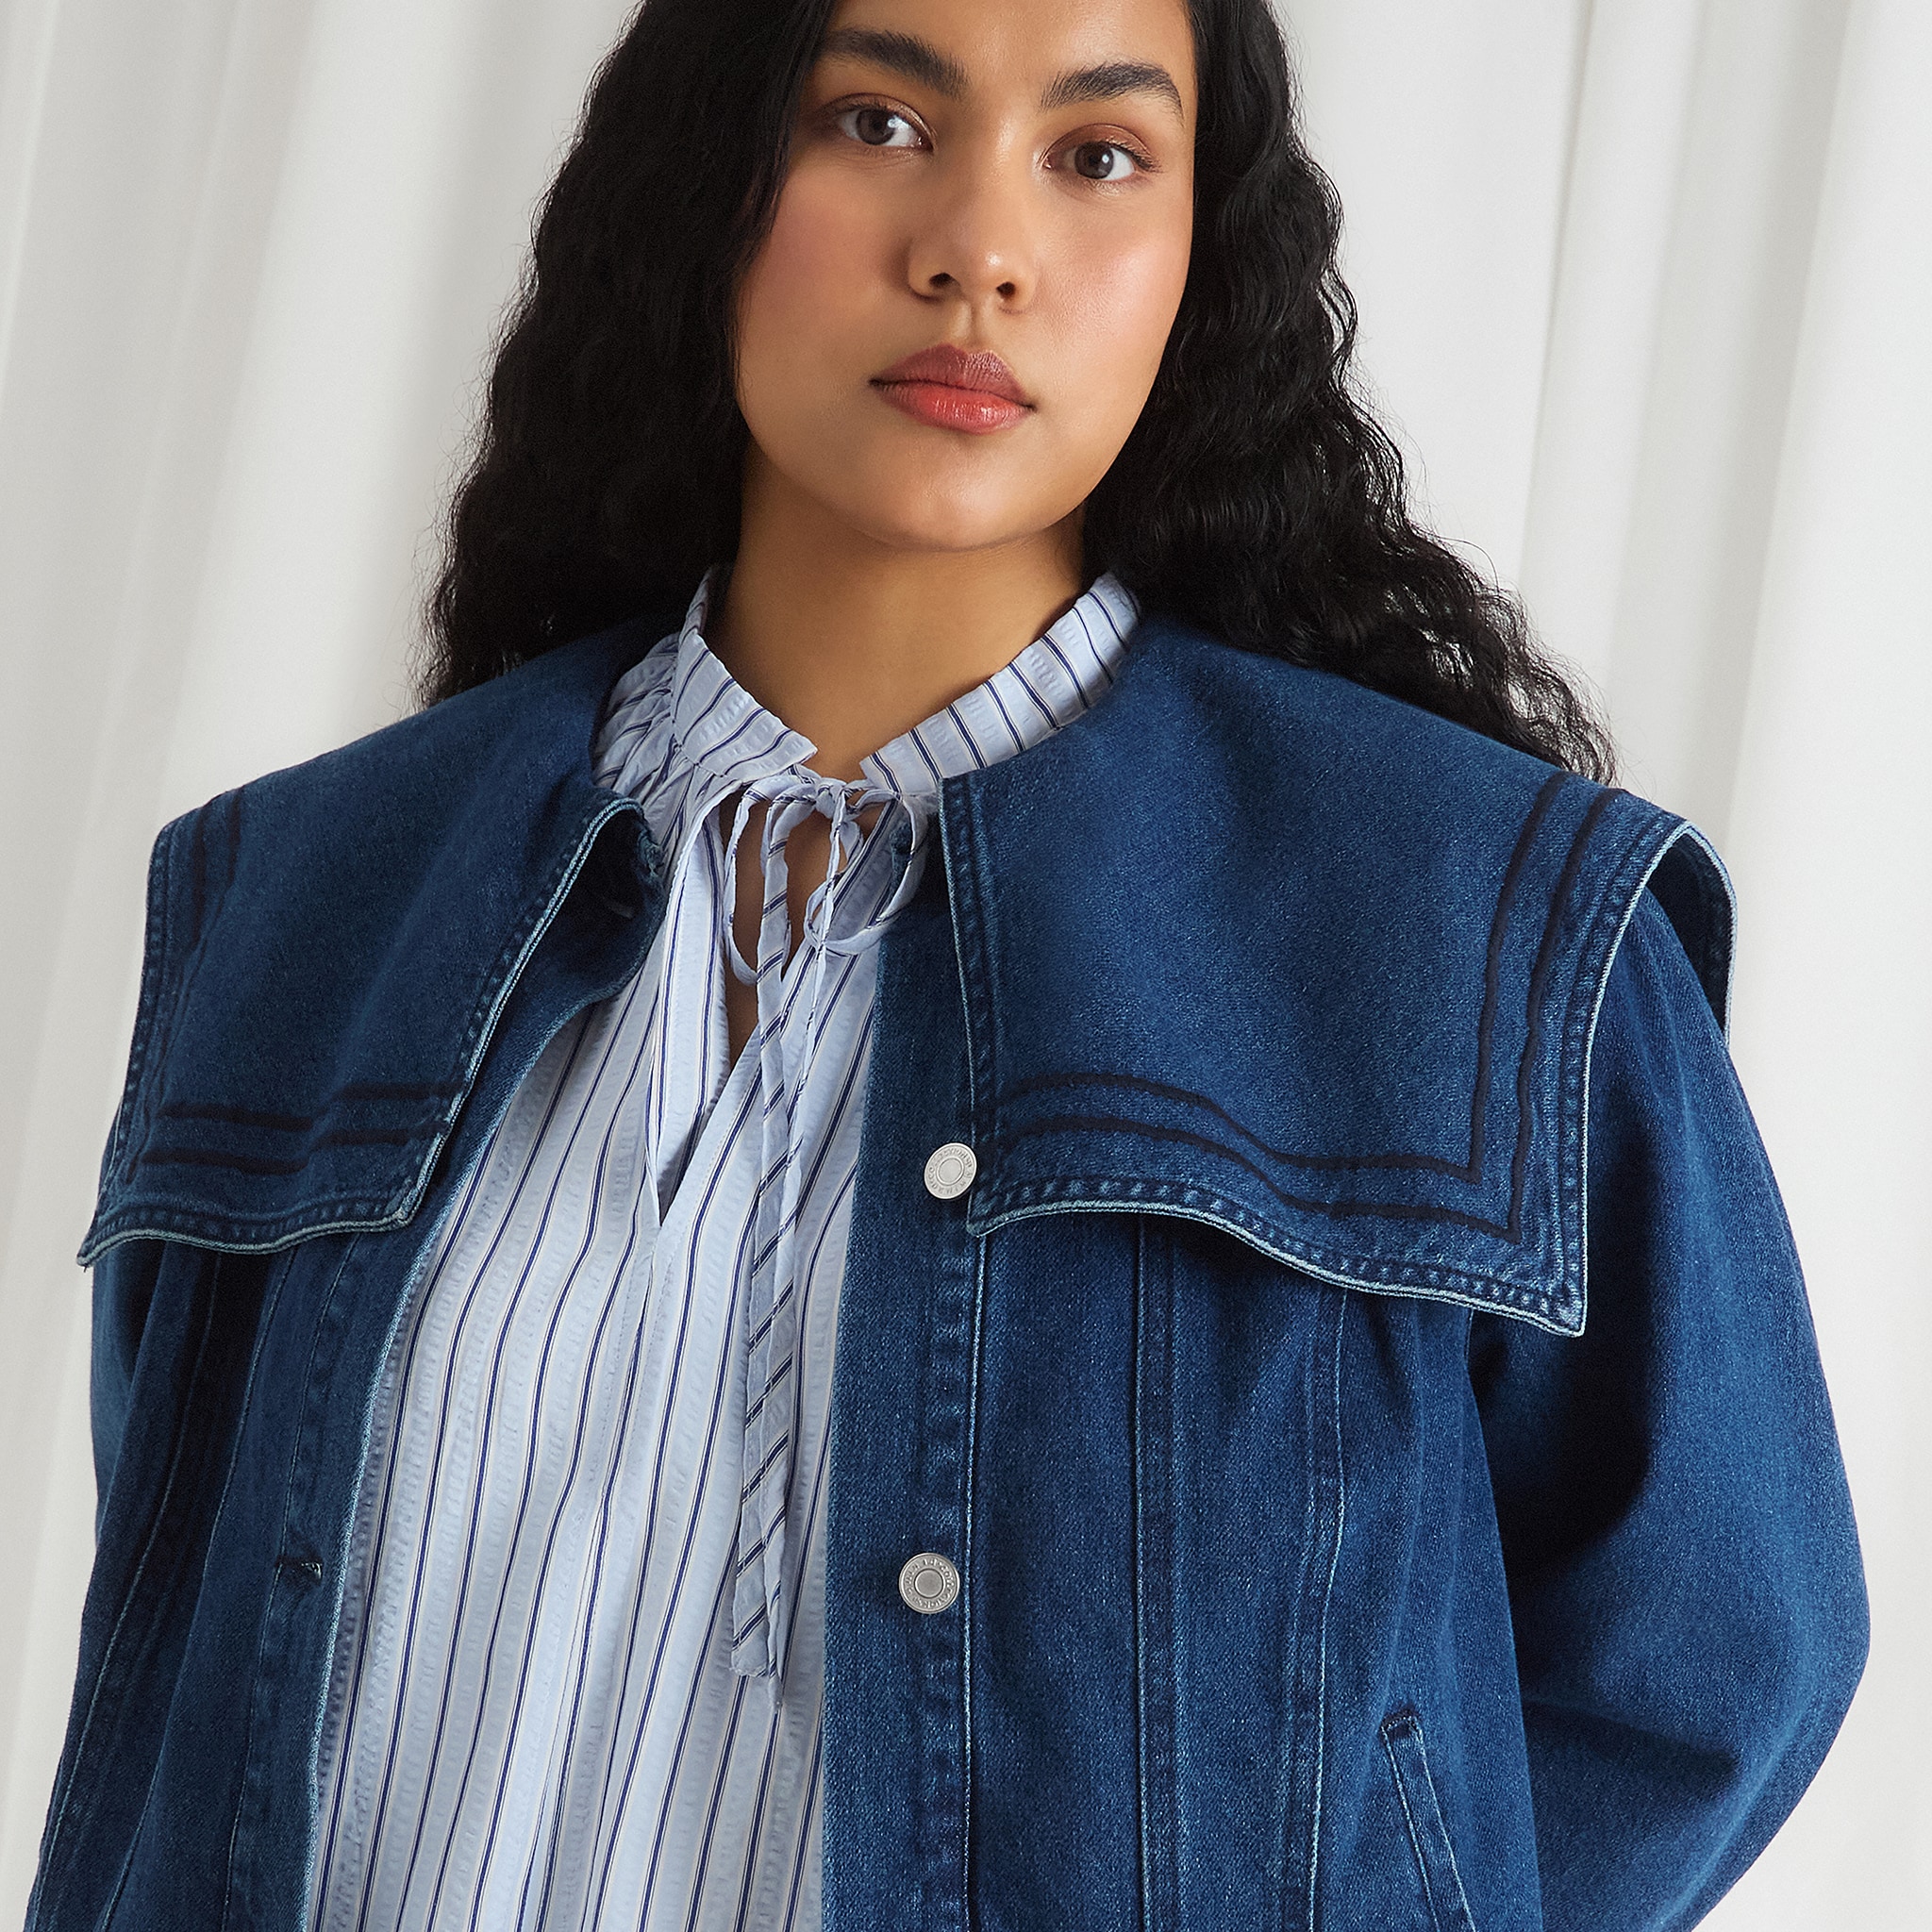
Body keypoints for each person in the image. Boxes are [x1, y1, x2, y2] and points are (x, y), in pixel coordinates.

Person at [26, 0, 1867, 1926]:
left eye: (1096, 154)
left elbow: (1712, 1661)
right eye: (876, 121)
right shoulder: (308, 895)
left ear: (1195, 254)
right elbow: (189, 1652)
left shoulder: (1482, 931)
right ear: (708, 182)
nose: (978, 246)